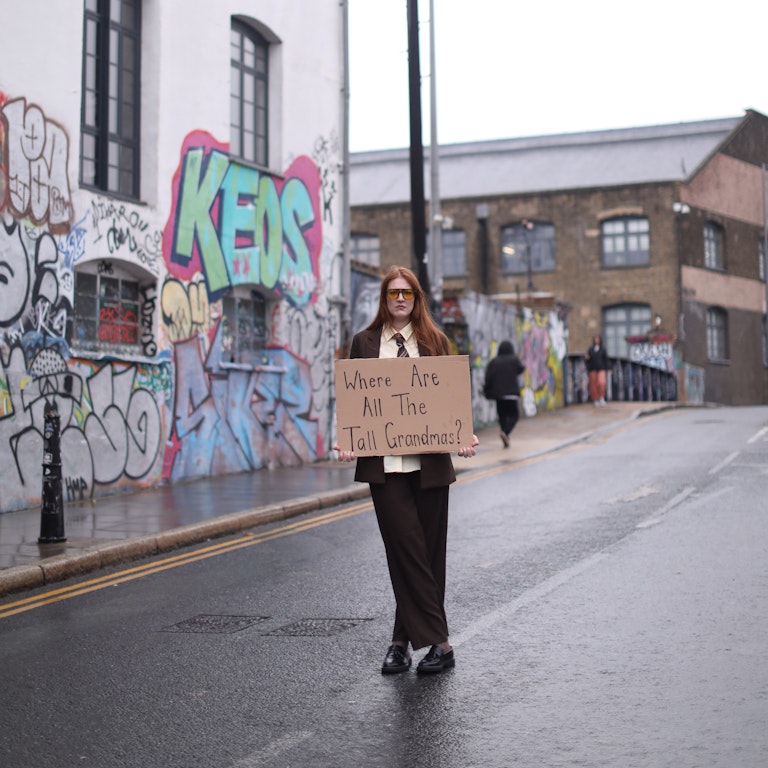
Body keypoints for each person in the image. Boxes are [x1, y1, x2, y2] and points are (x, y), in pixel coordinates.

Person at [334, 265, 479, 675]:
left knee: (427, 554)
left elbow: (449, 402)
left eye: (407, 293)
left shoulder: (435, 341)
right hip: (386, 467)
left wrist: (462, 438)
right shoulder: (363, 343)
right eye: (393, 292)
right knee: (405, 548)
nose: (400, 299)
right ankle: (441, 643)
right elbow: (355, 405)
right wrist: (349, 442)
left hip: (429, 465)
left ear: (417, 299)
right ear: (384, 299)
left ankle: (400, 643)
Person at [483, 340, 526, 448]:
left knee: (502, 416)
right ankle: (506, 433)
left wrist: (487, 391)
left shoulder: (494, 362)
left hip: (499, 395)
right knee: (514, 415)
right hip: (512, 394)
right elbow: (521, 369)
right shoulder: (513, 360)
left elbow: (488, 378)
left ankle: (504, 433)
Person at [585, 334, 609, 406]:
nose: (596, 340)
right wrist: (588, 366)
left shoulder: (603, 349)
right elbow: (587, 359)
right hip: (592, 368)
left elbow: (606, 359)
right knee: (593, 384)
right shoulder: (591, 349)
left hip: (601, 368)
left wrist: (608, 368)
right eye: (595, 339)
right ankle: (595, 399)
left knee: (601, 382)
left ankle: (601, 397)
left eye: (598, 339)